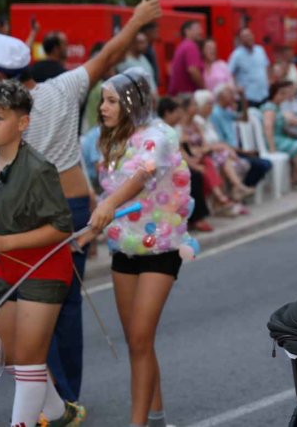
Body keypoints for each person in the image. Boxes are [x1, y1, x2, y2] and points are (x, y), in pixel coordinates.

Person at [0, 0, 163, 410]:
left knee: (25, 305)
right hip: (72, 208)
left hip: (24, 218)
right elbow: (107, 56)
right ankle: (64, 397)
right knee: (64, 305)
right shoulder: (61, 89)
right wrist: (136, 20)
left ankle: (48, 405)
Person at [87, 68, 197, 427]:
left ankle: (139, 424)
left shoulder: (159, 136)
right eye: (103, 100)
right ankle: (159, 417)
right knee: (139, 343)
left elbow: (140, 176)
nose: (103, 107)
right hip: (124, 249)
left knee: (138, 337)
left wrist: (106, 206)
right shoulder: (110, 138)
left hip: (161, 248)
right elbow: (96, 181)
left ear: (132, 102)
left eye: (112, 101)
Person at [0, 78, 85, 426]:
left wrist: (5, 243)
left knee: (30, 361)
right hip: (5, 268)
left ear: (23, 123)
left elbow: (62, 226)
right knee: (12, 356)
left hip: (44, 269)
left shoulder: (38, 168)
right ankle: (60, 412)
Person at [158, 96, 213, 233]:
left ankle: (195, 216)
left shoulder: (172, 128)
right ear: (167, 113)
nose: (179, 115)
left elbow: (180, 151)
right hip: (163, 168)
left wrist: (192, 163)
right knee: (193, 176)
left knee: (196, 174)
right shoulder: (160, 129)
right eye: (176, 112)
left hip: (173, 165)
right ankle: (196, 218)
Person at [209, 83, 272, 190]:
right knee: (261, 165)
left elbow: (244, 119)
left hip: (236, 150)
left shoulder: (226, 112)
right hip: (228, 152)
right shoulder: (215, 114)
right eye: (229, 93)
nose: (233, 96)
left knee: (266, 163)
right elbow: (220, 142)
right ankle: (241, 190)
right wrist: (244, 152)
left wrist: (243, 98)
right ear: (220, 96)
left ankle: (242, 189)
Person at [260, 81, 297, 190]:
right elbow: (268, 128)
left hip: (280, 137)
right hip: (273, 140)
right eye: (282, 94)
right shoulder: (270, 108)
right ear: (275, 94)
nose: (284, 97)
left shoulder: (277, 107)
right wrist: (272, 147)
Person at [229, 27, 270, 108]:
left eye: (249, 35)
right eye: (245, 36)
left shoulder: (260, 50)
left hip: (264, 95)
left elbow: (267, 67)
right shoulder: (237, 55)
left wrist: (269, 81)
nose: (248, 38)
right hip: (248, 98)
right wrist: (236, 87)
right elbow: (229, 73)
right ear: (241, 40)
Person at [168, 20, 204, 96]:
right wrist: (203, 88)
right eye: (197, 29)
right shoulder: (190, 46)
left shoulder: (182, 46)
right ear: (187, 31)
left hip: (178, 94)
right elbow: (193, 70)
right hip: (186, 95)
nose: (201, 32)